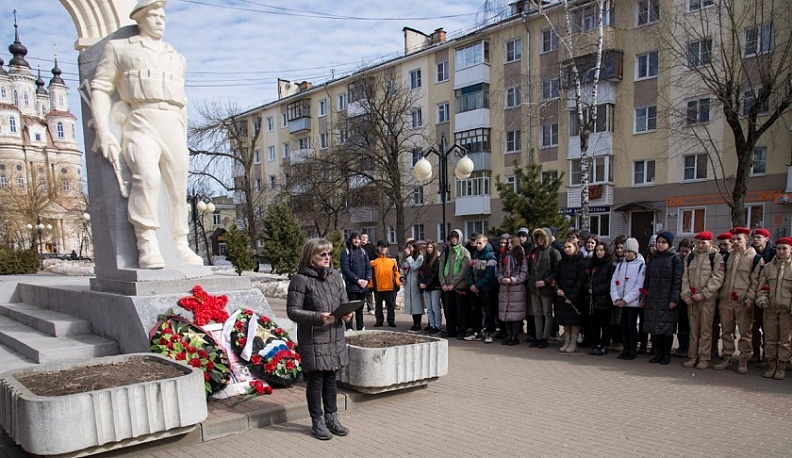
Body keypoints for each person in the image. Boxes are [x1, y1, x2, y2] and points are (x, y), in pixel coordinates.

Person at [90, 0, 203, 269]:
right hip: (140, 120)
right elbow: (100, 88)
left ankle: (180, 242)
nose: (160, 20)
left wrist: (183, 135)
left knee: (177, 189)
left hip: (173, 123)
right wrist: (104, 132)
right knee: (147, 179)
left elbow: (183, 101)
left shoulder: (176, 57)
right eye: (153, 15)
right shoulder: (119, 48)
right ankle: (147, 243)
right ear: (139, 19)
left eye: (162, 16)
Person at [286, 238, 353, 440]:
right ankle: (318, 421)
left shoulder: (334, 277)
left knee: (331, 378)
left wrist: (346, 313)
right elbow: (293, 311)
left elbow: (344, 300)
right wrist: (317, 317)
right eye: (322, 254)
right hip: (314, 337)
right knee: (316, 380)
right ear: (310, 256)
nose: (327, 258)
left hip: (334, 335)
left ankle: (332, 417)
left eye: (329, 254)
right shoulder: (300, 279)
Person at [714, 227, 761, 374]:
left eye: (738, 239)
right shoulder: (727, 257)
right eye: (733, 239)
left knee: (745, 332)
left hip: (743, 301)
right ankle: (727, 357)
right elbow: (721, 277)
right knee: (726, 331)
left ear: (746, 240)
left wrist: (750, 298)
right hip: (726, 300)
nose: (735, 242)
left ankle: (744, 359)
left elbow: (756, 282)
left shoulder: (755, 258)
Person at [680, 231, 725, 370]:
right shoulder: (691, 256)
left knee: (706, 330)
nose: (700, 245)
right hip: (692, 300)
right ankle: (692, 356)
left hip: (707, 300)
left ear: (710, 243)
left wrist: (704, 294)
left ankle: (704, 358)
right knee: (694, 330)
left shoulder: (716, 257)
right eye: (698, 242)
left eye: (703, 243)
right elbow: (685, 277)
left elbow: (717, 278)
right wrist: (686, 294)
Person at [756, 237, 792, 380]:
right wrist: (762, 299)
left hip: (786, 311)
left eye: (784, 248)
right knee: (770, 340)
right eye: (779, 248)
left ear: (790, 250)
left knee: (786, 341)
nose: (781, 251)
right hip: (770, 310)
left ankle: (781, 366)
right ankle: (771, 365)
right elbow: (762, 288)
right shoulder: (769, 266)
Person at [611, 238, 646, 360]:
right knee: (623, 326)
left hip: (632, 303)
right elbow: (613, 283)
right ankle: (625, 349)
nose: (626, 254)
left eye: (629, 252)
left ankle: (632, 350)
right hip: (620, 302)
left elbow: (638, 286)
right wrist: (616, 299)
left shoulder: (641, 266)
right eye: (625, 251)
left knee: (631, 326)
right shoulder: (620, 265)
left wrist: (626, 300)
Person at [528, 228, 561, 348]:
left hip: (546, 289)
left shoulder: (554, 252)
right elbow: (529, 268)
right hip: (534, 288)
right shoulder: (534, 251)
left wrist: (545, 281)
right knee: (537, 313)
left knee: (547, 313)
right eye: (538, 237)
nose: (540, 240)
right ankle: (538, 336)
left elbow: (557, 272)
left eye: (542, 237)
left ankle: (545, 338)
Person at [554, 239, 587, 353]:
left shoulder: (580, 263)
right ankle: (566, 342)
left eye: (569, 247)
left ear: (575, 248)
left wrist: (571, 297)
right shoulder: (561, 263)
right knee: (566, 321)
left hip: (575, 298)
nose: (567, 249)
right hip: (562, 296)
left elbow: (580, 281)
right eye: (565, 247)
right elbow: (556, 278)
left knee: (574, 321)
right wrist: (558, 290)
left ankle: (573, 343)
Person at [439, 229, 471, 339]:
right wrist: (443, 283)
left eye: (456, 237)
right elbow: (441, 269)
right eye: (452, 237)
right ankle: (451, 330)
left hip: (459, 287)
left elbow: (463, 271)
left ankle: (461, 331)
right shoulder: (446, 252)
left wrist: (453, 284)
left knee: (460, 311)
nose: (454, 239)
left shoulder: (464, 252)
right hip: (446, 287)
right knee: (449, 310)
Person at [750, 228, 777, 364]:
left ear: (766, 239)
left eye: (759, 237)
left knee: (768, 327)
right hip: (753, 293)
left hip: (770, 294)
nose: (755, 240)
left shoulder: (774, 253)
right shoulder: (751, 253)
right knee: (754, 326)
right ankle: (755, 353)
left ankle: (768, 355)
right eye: (754, 237)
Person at [497, 236, 529, 346]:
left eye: (511, 243)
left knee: (515, 315)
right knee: (506, 313)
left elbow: (524, 274)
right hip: (505, 288)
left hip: (517, 289)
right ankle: (508, 335)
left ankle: (515, 336)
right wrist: (501, 279)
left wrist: (512, 280)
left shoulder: (521, 256)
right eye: (508, 243)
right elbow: (500, 271)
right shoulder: (503, 255)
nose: (509, 245)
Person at [466, 234, 498, 342]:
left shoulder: (490, 257)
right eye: (477, 243)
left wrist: (477, 285)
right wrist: (471, 284)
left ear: (486, 243)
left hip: (486, 289)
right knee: (475, 311)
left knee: (488, 312)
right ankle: (477, 331)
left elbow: (488, 275)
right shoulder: (475, 256)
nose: (478, 245)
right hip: (475, 289)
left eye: (480, 243)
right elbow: (470, 272)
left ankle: (489, 332)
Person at [587, 242, 615, 356]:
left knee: (605, 324)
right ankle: (596, 344)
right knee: (594, 324)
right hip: (592, 300)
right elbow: (586, 278)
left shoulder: (610, 265)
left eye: (601, 250)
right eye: (597, 250)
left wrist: (596, 290)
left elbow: (610, 283)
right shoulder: (592, 264)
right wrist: (588, 288)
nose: (599, 252)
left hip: (604, 299)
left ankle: (604, 345)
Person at [340, 231, 371, 331]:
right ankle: (349, 327)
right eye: (355, 238)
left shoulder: (363, 252)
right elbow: (345, 270)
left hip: (363, 286)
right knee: (351, 308)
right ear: (351, 239)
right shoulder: (346, 252)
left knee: (360, 309)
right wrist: (357, 280)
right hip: (352, 286)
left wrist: (367, 280)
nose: (357, 240)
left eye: (358, 238)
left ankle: (360, 326)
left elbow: (368, 267)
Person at [369, 240, 401, 327]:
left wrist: (397, 283)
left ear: (387, 248)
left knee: (391, 305)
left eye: (385, 247)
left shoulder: (392, 260)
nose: (383, 249)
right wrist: (371, 285)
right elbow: (371, 274)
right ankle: (379, 320)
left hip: (390, 287)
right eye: (381, 247)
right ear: (378, 247)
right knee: (378, 306)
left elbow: (397, 273)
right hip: (378, 287)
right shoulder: (373, 260)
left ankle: (391, 320)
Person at [672, 238, 695, 358]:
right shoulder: (676, 260)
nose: (684, 254)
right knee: (680, 324)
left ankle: (688, 348)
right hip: (678, 296)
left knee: (688, 325)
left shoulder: (693, 260)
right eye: (682, 251)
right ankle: (681, 347)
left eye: (687, 251)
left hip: (689, 296)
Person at [418, 240, 442, 335]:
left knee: (436, 307)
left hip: (435, 287)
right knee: (429, 308)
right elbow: (420, 273)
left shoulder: (437, 260)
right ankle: (432, 325)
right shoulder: (425, 260)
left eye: (431, 247)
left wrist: (426, 284)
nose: (429, 249)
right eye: (428, 247)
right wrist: (420, 282)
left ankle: (437, 326)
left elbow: (435, 274)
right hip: (427, 288)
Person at [400, 240, 425, 332]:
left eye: (410, 247)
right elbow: (403, 268)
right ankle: (415, 323)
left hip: (415, 283)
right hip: (408, 283)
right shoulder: (406, 258)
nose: (408, 249)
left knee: (417, 304)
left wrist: (409, 257)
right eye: (407, 247)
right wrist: (402, 277)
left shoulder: (419, 257)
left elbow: (414, 267)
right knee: (411, 304)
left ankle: (418, 324)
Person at [517, 227, 535, 342]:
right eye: (520, 236)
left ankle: (532, 331)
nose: (521, 238)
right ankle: (519, 329)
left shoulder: (531, 249)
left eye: (524, 236)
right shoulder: (517, 248)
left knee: (531, 309)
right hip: (519, 282)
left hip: (529, 282)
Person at [360, 232, 378, 315]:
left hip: (370, 270)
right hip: (360, 271)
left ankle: (371, 308)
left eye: (365, 237)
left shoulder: (371, 247)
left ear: (367, 239)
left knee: (369, 290)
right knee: (361, 290)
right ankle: (359, 307)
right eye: (362, 237)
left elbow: (376, 257)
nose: (363, 239)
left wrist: (372, 262)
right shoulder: (357, 247)